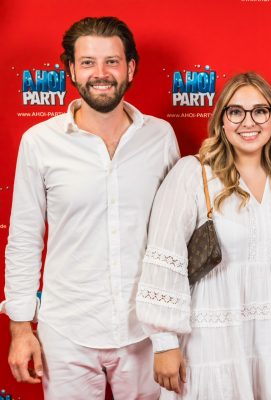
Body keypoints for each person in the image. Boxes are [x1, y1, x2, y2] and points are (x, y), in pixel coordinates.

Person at [0, 16, 180, 399]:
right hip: (67, 331)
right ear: (71, 69)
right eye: (87, 62)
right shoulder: (39, 142)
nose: (101, 73)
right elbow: (25, 239)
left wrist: (171, 331)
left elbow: (175, 235)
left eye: (112, 61)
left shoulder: (160, 137)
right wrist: (20, 327)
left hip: (145, 329)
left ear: (130, 68)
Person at [136, 72, 271, 400]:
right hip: (211, 346)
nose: (248, 122)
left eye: (260, 111)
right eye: (236, 111)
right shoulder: (193, 174)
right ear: (222, 121)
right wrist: (164, 342)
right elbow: (163, 254)